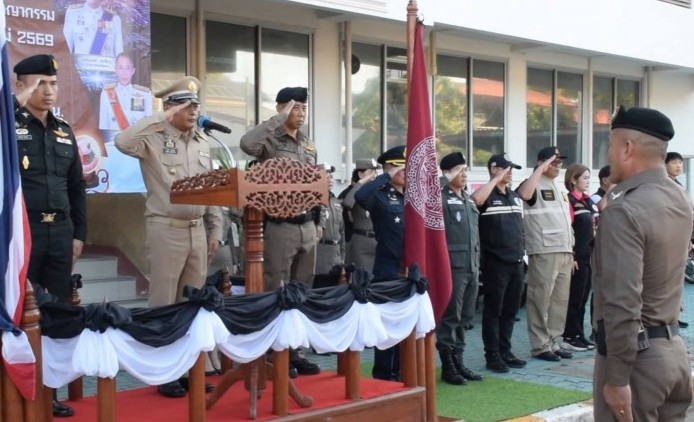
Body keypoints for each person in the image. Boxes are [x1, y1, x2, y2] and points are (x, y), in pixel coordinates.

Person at [114, 76, 223, 398]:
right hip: (166, 229)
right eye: (186, 105)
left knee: (193, 303)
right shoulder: (152, 138)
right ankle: (164, 372)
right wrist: (161, 117)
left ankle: (191, 369)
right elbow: (122, 141)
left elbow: (212, 188)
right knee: (164, 303)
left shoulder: (202, 141)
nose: (193, 111)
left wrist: (215, 228)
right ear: (170, 108)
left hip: (197, 231)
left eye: (196, 105)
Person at [593, 105, 693, 421]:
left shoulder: (624, 210)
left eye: (610, 145)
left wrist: (617, 377)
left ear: (627, 148)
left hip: (637, 362)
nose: (608, 155)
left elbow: (623, 302)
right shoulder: (679, 198)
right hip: (674, 351)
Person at [13, 54, 87, 418]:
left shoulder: (63, 130)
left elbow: (76, 187)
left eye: (53, 83)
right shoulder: (7, 124)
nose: (48, 90)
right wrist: (13, 105)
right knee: (20, 311)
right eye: (39, 83)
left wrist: (79, 233)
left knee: (54, 311)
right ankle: (16, 392)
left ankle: (49, 391)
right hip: (21, 233)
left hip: (59, 231)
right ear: (20, 86)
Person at [239, 86, 322, 377]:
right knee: (276, 287)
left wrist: (319, 221)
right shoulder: (270, 139)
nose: (301, 113)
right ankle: (274, 352)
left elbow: (315, 183)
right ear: (281, 108)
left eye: (303, 108)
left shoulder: (308, 144)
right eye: (295, 107)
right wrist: (278, 118)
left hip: (307, 225)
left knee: (302, 289)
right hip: (279, 225)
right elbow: (247, 145)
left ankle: (295, 350)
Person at [471, 153, 527, 373]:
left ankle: (505, 350)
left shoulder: (513, 196)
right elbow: (476, 200)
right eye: (505, 168)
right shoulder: (486, 194)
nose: (509, 173)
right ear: (494, 169)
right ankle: (492, 354)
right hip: (496, 264)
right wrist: (495, 179)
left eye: (511, 169)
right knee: (493, 310)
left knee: (511, 310)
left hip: (516, 262)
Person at [517, 146, 574, 362]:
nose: (558, 166)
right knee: (540, 299)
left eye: (559, 162)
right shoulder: (533, 182)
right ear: (541, 163)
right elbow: (524, 195)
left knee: (559, 300)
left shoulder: (557, 187)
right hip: (544, 248)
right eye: (553, 162)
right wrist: (540, 169)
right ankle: (540, 345)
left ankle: (554, 341)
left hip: (564, 248)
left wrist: (571, 250)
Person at [355, 145, 406, 381]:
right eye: (401, 168)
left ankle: (404, 370)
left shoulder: (412, 194)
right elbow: (360, 197)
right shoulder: (381, 194)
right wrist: (385, 176)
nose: (406, 173)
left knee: (406, 323)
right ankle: (384, 374)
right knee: (387, 324)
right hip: (388, 266)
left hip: (410, 268)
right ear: (390, 169)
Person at [435, 152, 483, 385]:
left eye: (465, 170)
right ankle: (448, 366)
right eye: (459, 170)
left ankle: (459, 361)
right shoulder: (440, 197)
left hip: (471, 265)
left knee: (465, 317)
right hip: (453, 267)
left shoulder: (468, 199)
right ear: (447, 173)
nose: (464, 175)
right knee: (451, 316)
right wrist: (443, 179)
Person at [560, 164, 597, 352]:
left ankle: (579, 334)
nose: (588, 181)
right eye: (584, 178)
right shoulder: (569, 201)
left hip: (589, 255)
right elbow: (568, 229)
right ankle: (568, 336)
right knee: (574, 298)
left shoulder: (587, 200)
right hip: (578, 256)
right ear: (573, 180)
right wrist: (572, 254)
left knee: (583, 298)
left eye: (589, 177)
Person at [99, 53, 153, 132]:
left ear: (133, 71)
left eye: (127, 68)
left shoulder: (145, 94)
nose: (124, 73)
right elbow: (104, 127)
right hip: (113, 139)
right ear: (115, 70)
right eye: (120, 68)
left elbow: (149, 127)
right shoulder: (106, 93)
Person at [342, 158, 379, 273]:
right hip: (361, 240)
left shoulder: (377, 191)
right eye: (370, 172)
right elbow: (347, 203)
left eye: (375, 172)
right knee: (362, 276)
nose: (373, 176)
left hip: (377, 240)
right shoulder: (355, 191)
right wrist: (361, 183)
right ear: (360, 174)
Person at [315, 165, 345, 276]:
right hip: (320, 252)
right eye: (326, 177)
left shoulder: (336, 201)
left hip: (335, 253)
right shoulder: (314, 201)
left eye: (331, 177)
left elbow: (342, 231)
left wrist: (342, 256)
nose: (330, 180)